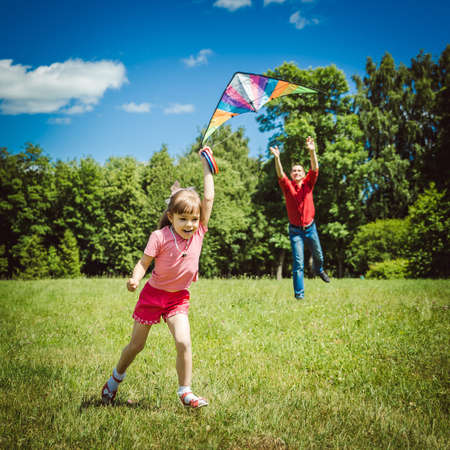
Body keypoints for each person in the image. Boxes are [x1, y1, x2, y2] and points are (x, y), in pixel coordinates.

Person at [101, 147, 214, 408]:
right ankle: (116, 378)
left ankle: (185, 391)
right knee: (136, 346)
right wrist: (135, 279)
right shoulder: (160, 236)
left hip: (177, 298)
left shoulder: (199, 233)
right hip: (152, 296)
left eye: (194, 219)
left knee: (184, 341)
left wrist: (207, 167)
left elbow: (207, 199)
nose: (190, 224)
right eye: (183, 219)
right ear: (171, 217)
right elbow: (143, 264)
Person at [270, 136, 330, 300]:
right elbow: (280, 173)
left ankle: (319, 270)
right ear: (292, 174)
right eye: (294, 171)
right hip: (295, 231)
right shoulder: (288, 187)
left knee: (319, 257)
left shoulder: (308, 184)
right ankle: (299, 296)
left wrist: (312, 151)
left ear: (304, 174)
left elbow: (315, 168)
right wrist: (277, 158)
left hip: (310, 228)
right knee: (298, 264)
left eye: (299, 171)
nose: (296, 172)